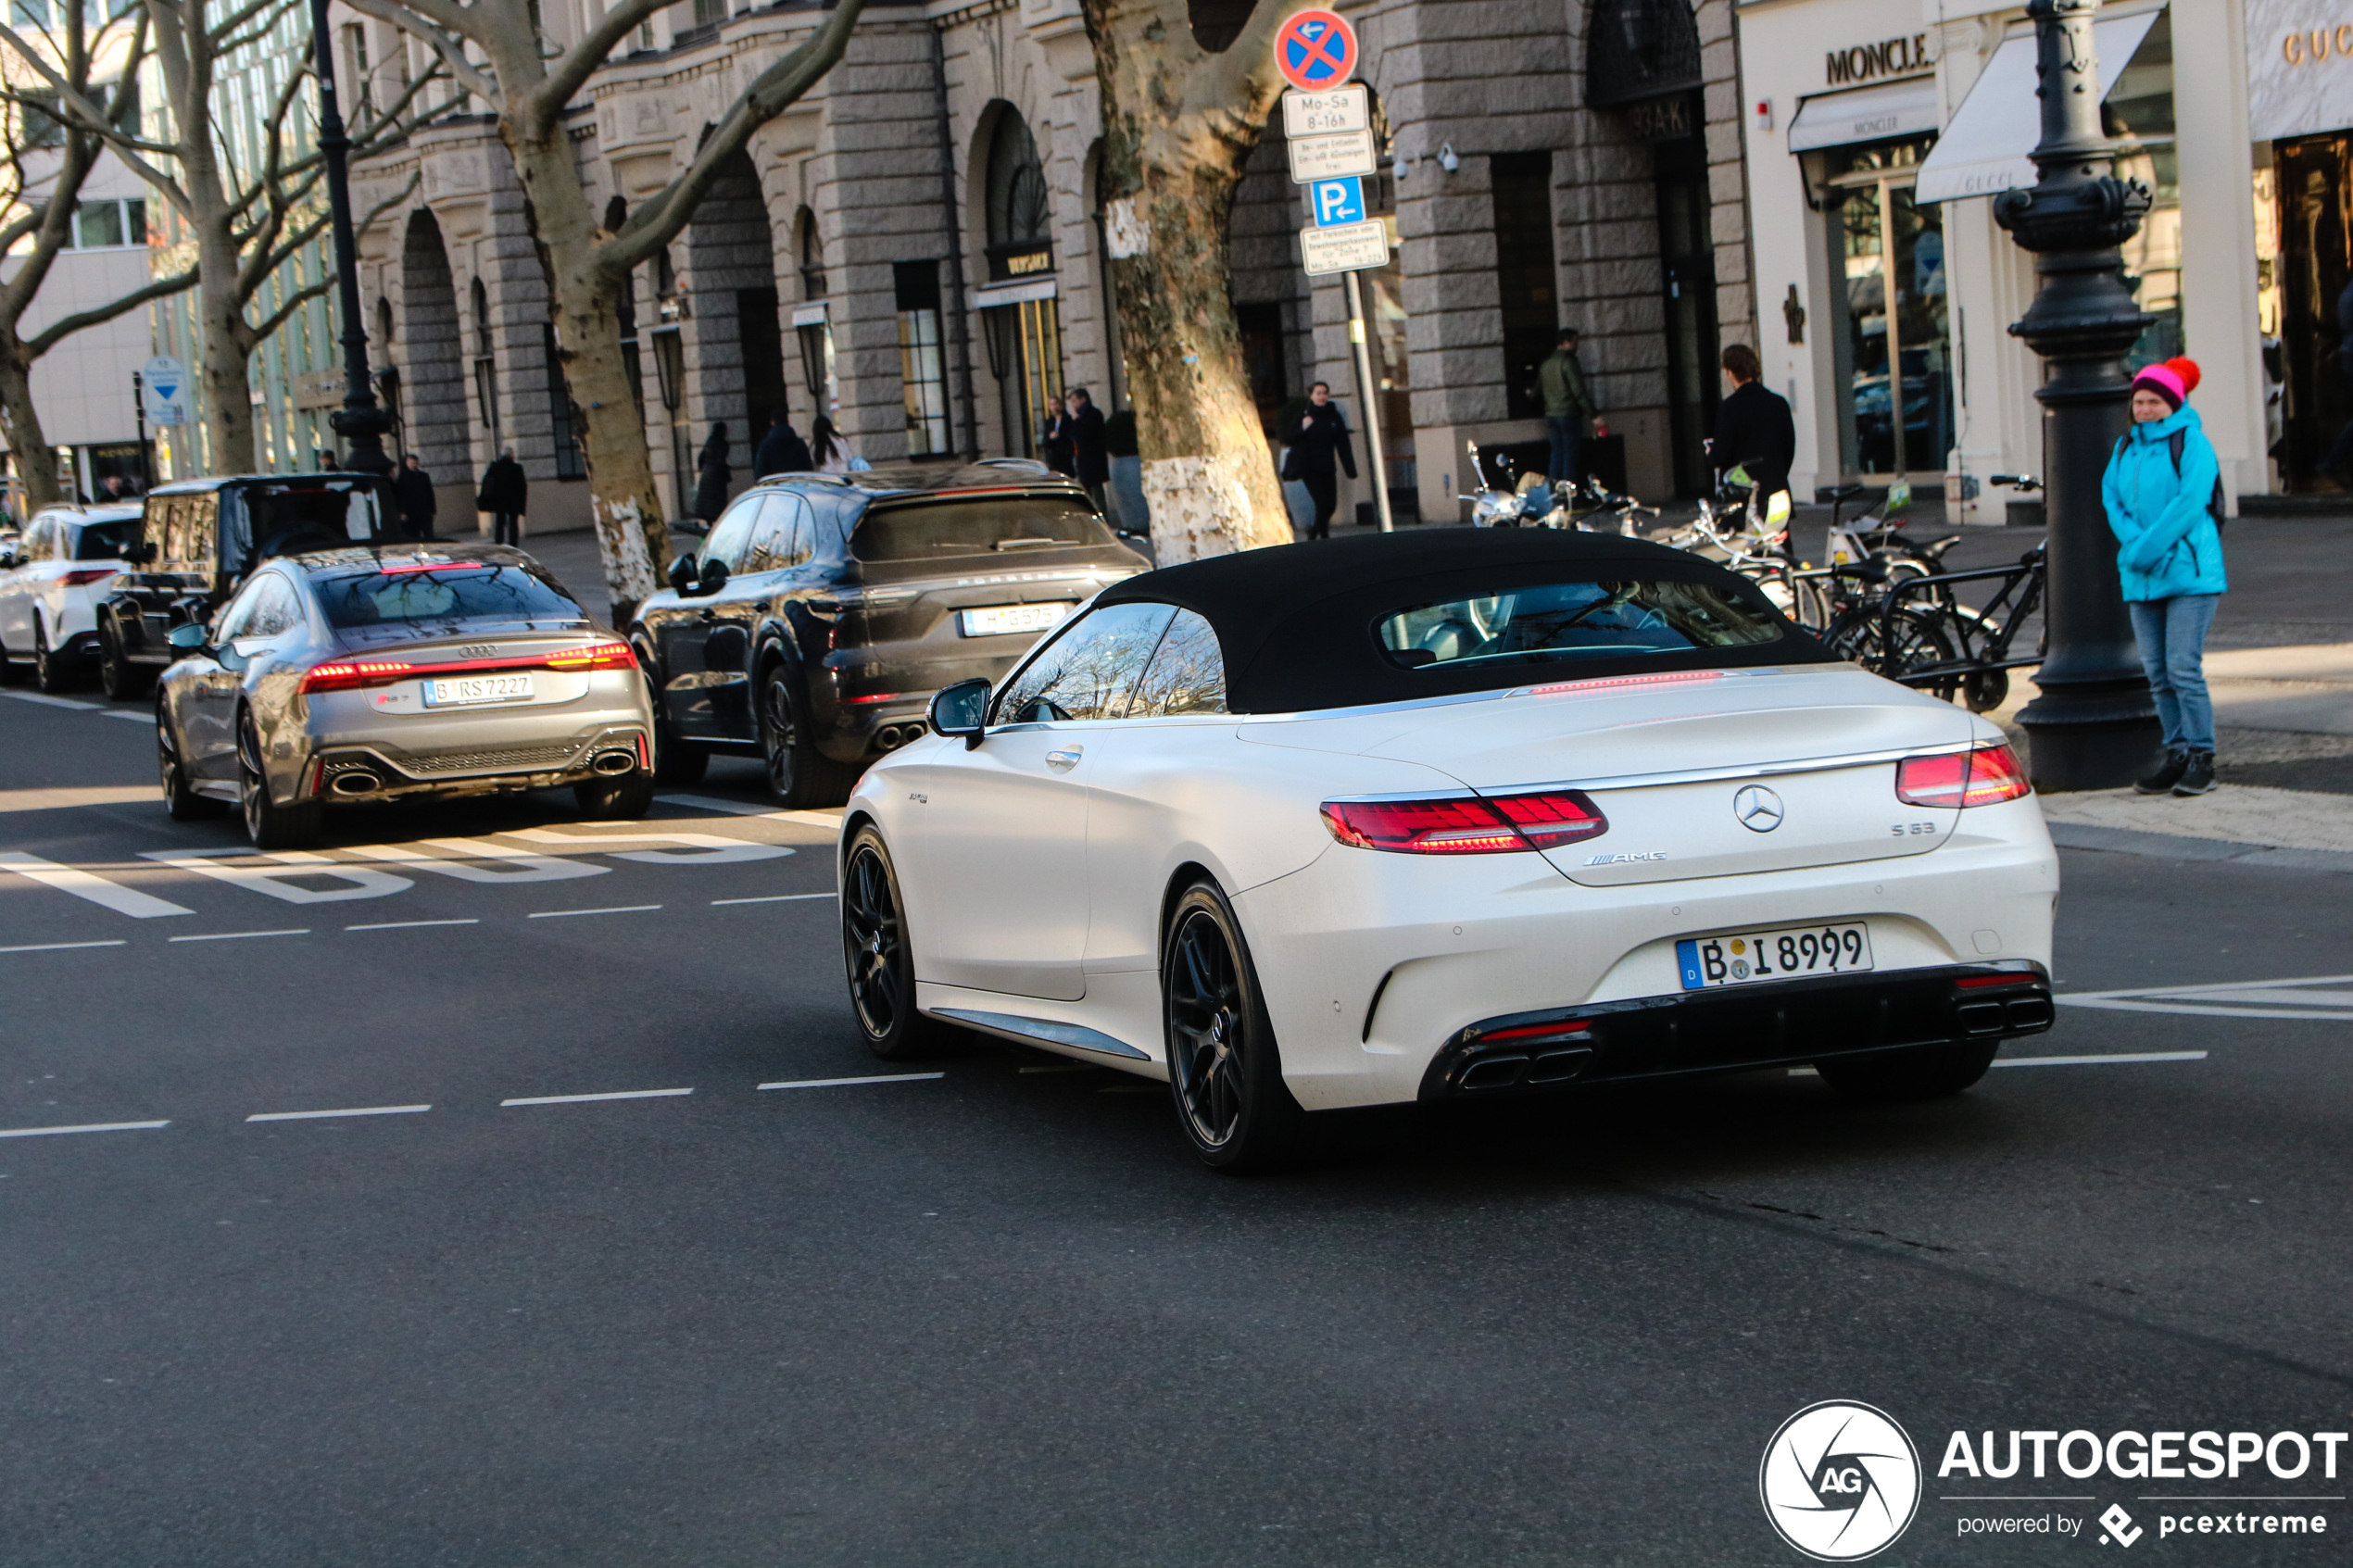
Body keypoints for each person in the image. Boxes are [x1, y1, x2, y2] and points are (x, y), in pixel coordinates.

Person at [2103, 356, 2227, 797]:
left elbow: (2190, 503)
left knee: (2183, 669)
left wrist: (2145, 549)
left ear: (2173, 402)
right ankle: (2176, 753)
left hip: (2190, 574)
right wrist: (2138, 550)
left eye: (2154, 401)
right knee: (2157, 673)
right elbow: (2112, 500)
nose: (2145, 409)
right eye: (2139, 401)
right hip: (2142, 577)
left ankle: (2202, 759)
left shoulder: (2193, 442)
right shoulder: (2125, 448)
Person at [1710, 342, 1796, 519]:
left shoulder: (1730, 407)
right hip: (1776, 489)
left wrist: (1711, 453)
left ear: (1729, 372)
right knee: (1778, 541)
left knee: (1742, 543)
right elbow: (1789, 448)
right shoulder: (1778, 403)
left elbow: (1721, 455)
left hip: (1742, 495)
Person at [1279, 382, 1357, 539]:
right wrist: (1303, 428)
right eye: (1318, 393)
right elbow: (1288, 439)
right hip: (1309, 468)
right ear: (1312, 396)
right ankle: (1324, 536)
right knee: (1321, 503)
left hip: (1328, 467)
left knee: (1330, 506)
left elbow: (1343, 444)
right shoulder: (1304, 417)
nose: (1322, 396)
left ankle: (1313, 531)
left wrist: (1350, 469)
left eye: (1324, 393)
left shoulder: (1334, 417)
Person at [1538, 327, 1598, 487]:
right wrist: (1593, 414)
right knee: (1569, 457)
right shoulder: (1568, 362)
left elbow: (1536, 391)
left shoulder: (1546, 364)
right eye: (1575, 342)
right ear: (1565, 343)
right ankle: (1567, 495)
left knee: (1556, 455)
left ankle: (1554, 494)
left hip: (1551, 415)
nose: (1577, 346)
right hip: (1568, 414)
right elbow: (1578, 391)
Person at [1064, 387, 1109, 512]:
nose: (1073, 405)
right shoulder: (1076, 417)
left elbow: (1085, 434)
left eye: (1075, 401)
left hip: (1093, 460)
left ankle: (1102, 518)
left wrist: (1076, 421)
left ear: (1083, 399)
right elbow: (1072, 435)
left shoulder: (1094, 414)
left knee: (1097, 492)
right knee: (1086, 492)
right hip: (1082, 460)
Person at [476, 446, 527, 546]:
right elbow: (522, 486)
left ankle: (499, 542)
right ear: (511, 455)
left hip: (499, 500)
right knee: (513, 522)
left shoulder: (495, 467)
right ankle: (513, 544)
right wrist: (522, 504)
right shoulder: (516, 468)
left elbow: (487, 482)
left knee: (499, 522)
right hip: (513, 500)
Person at [753, 408, 812, 478]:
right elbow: (808, 469)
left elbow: (760, 473)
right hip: (797, 484)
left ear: (772, 423)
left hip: (775, 486)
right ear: (788, 422)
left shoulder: (765, 446)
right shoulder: (799, 443)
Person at [693, 422, 731, 523]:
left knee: (707, 505)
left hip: (706, 473)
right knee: (717, 504)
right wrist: (726, 475)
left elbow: (700, 458)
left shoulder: (709, 442)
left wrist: (703, 470)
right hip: (716, 476)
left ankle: (709, 523)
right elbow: (721, 461)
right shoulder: (723, 444)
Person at [394, 453, 438, 538]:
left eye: (416, 463)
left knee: (429, 534)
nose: (414, 465)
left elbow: (430, 493)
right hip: (410, 512)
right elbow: (399, 495)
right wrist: (402, 512)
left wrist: (432, 510)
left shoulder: (424, 476)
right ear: (407, 463)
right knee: (413, 535)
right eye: (412, 463)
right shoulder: (403, 477)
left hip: (425, 511)